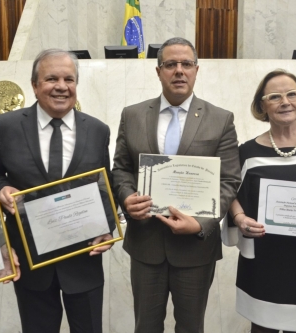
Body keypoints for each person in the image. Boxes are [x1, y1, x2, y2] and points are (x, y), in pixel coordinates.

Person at [112, 37, 241, 332]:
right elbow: (121, 168)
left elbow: (229, 180)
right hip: (146, 244)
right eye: (170, 64)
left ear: (197, 70)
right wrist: (126, 197)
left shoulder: (221, 119)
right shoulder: (132, 115)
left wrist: (201, 224)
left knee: (191, 326)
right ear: (158, 71)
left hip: (195, 248)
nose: (179, 71)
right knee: (145, 325)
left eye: (186, 64)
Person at [0, 49, 115, 333]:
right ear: (35, 85)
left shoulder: (97, 130)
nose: (61, 86)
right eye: (51, 79)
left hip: (84, 260)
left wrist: (107, 226)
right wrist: (1, 187)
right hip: (31, 264)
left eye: (69, 79)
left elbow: (105, 186)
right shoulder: (5, 126)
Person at [224, 69, 296, 333]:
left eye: (292, 94)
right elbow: (230, 191)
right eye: (275, 96)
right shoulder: (246, 151)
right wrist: (239, 218)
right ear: (262, 106)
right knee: (263, 329)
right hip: (264, 262)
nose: (285, 102)